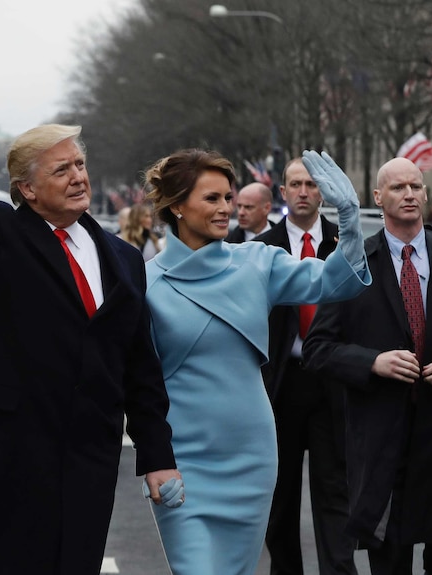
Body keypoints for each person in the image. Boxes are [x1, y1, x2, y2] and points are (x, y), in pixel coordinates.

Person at [0, 125, 180, 575]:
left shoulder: (122, 258)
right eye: (62, 170)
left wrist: (157, 456)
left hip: (87, 459)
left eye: (79, 164)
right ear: (28, 189)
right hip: (3, 456)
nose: (78, 176)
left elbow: (139, 364)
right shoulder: (2, 231)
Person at [143, 149, 370, 575]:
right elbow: (137, 383)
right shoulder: (145, 281)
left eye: (228, 198)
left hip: (252, 457)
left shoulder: (257, 262)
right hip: (183, 462)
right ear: (176, 205)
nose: (226, 209)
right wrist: (154, 457)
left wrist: (351, 217)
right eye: (212, 199)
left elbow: (334, 281)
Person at [303, 157, 432, 575]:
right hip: (382, 441)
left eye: (416, 187)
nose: (409, 195)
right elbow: (317, 348)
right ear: (377, 198)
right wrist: (372, 362)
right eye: (398, 188)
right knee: (389, 561)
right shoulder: (354, 262)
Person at [254, 157, 357, 575]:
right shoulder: (261, 248)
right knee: (281, 496)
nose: (302, 192)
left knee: (335, 491)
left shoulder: (344, 240)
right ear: (282, 192)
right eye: (294, 184)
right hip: (282, 383)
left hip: (332, 380)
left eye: (311, 185)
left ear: (323, 192)